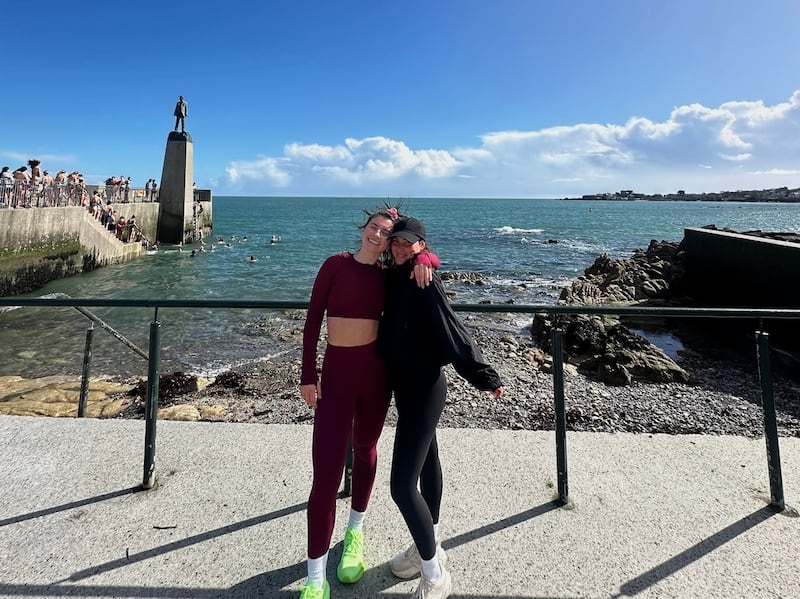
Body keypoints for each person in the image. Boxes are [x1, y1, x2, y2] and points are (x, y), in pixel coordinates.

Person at [298, 207, 437, 599]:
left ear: (393, 242)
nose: (378, 236)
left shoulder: (390, 276)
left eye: (387, 232)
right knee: (324, 475)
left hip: (376, 380)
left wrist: (425, 256)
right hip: (337, 379)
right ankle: (314, 576)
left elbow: (424, 261)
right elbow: (312, 321)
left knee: (365, 450)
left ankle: (354, 532)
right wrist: (308, 374)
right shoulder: (335, 265)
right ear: (364, 230)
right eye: (374, 228)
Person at [378, 217, 503, 599]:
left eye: (408, 243)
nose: (400, 247)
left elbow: (453, 330)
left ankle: (434, 572)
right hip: (405, 387)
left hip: (425, 389)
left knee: (401, 485)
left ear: (421, 244)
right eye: (396, 241)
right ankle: (425, 544)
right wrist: (425, 259)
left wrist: (483, 375)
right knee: (428, 461)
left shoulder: (424, 281)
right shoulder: (399, 273)